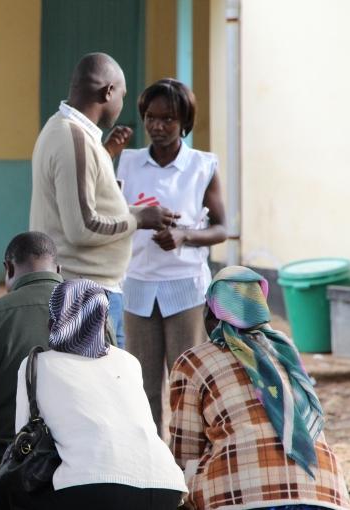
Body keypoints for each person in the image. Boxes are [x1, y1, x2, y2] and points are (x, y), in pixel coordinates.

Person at [29, 52, 179, 349]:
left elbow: (92, 204)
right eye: (122, 96)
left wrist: (140, 212)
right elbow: (82, 227)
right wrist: (137, 219)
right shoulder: (72, 138)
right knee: (99, 390)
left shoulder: (68, 130)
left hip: (90, 289)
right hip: (85, 294)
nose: (121, 106)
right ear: (108, 91)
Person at [0, 279, 187, 509]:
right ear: (103, 320)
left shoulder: (37, 364)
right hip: (167, 485)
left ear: (54, 318)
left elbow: (23, 444)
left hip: (91, 488)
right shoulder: (128, 361)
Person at [170, 266, 350, 510]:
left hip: (238, 496)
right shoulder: (285, 350)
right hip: (327, 493)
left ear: (212, 312)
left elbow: (184, 454)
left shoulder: (193, 361)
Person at [118, 78, 227, 433]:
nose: (158, 126)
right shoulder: (128, 163)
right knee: (142, 386)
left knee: (187, 384)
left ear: (185, 124)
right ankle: (152, 470)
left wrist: (185, 236)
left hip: (185, 289)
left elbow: (222, 228)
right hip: (138, 287)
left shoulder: (202, 167)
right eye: (151, 117)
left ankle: (186, 465)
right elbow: (111, 214)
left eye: (168, 119)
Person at [0, 231, 62, 487]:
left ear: (8, 268)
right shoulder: (92, 318)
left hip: (3, 467)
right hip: (75, 466)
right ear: (58, 268)